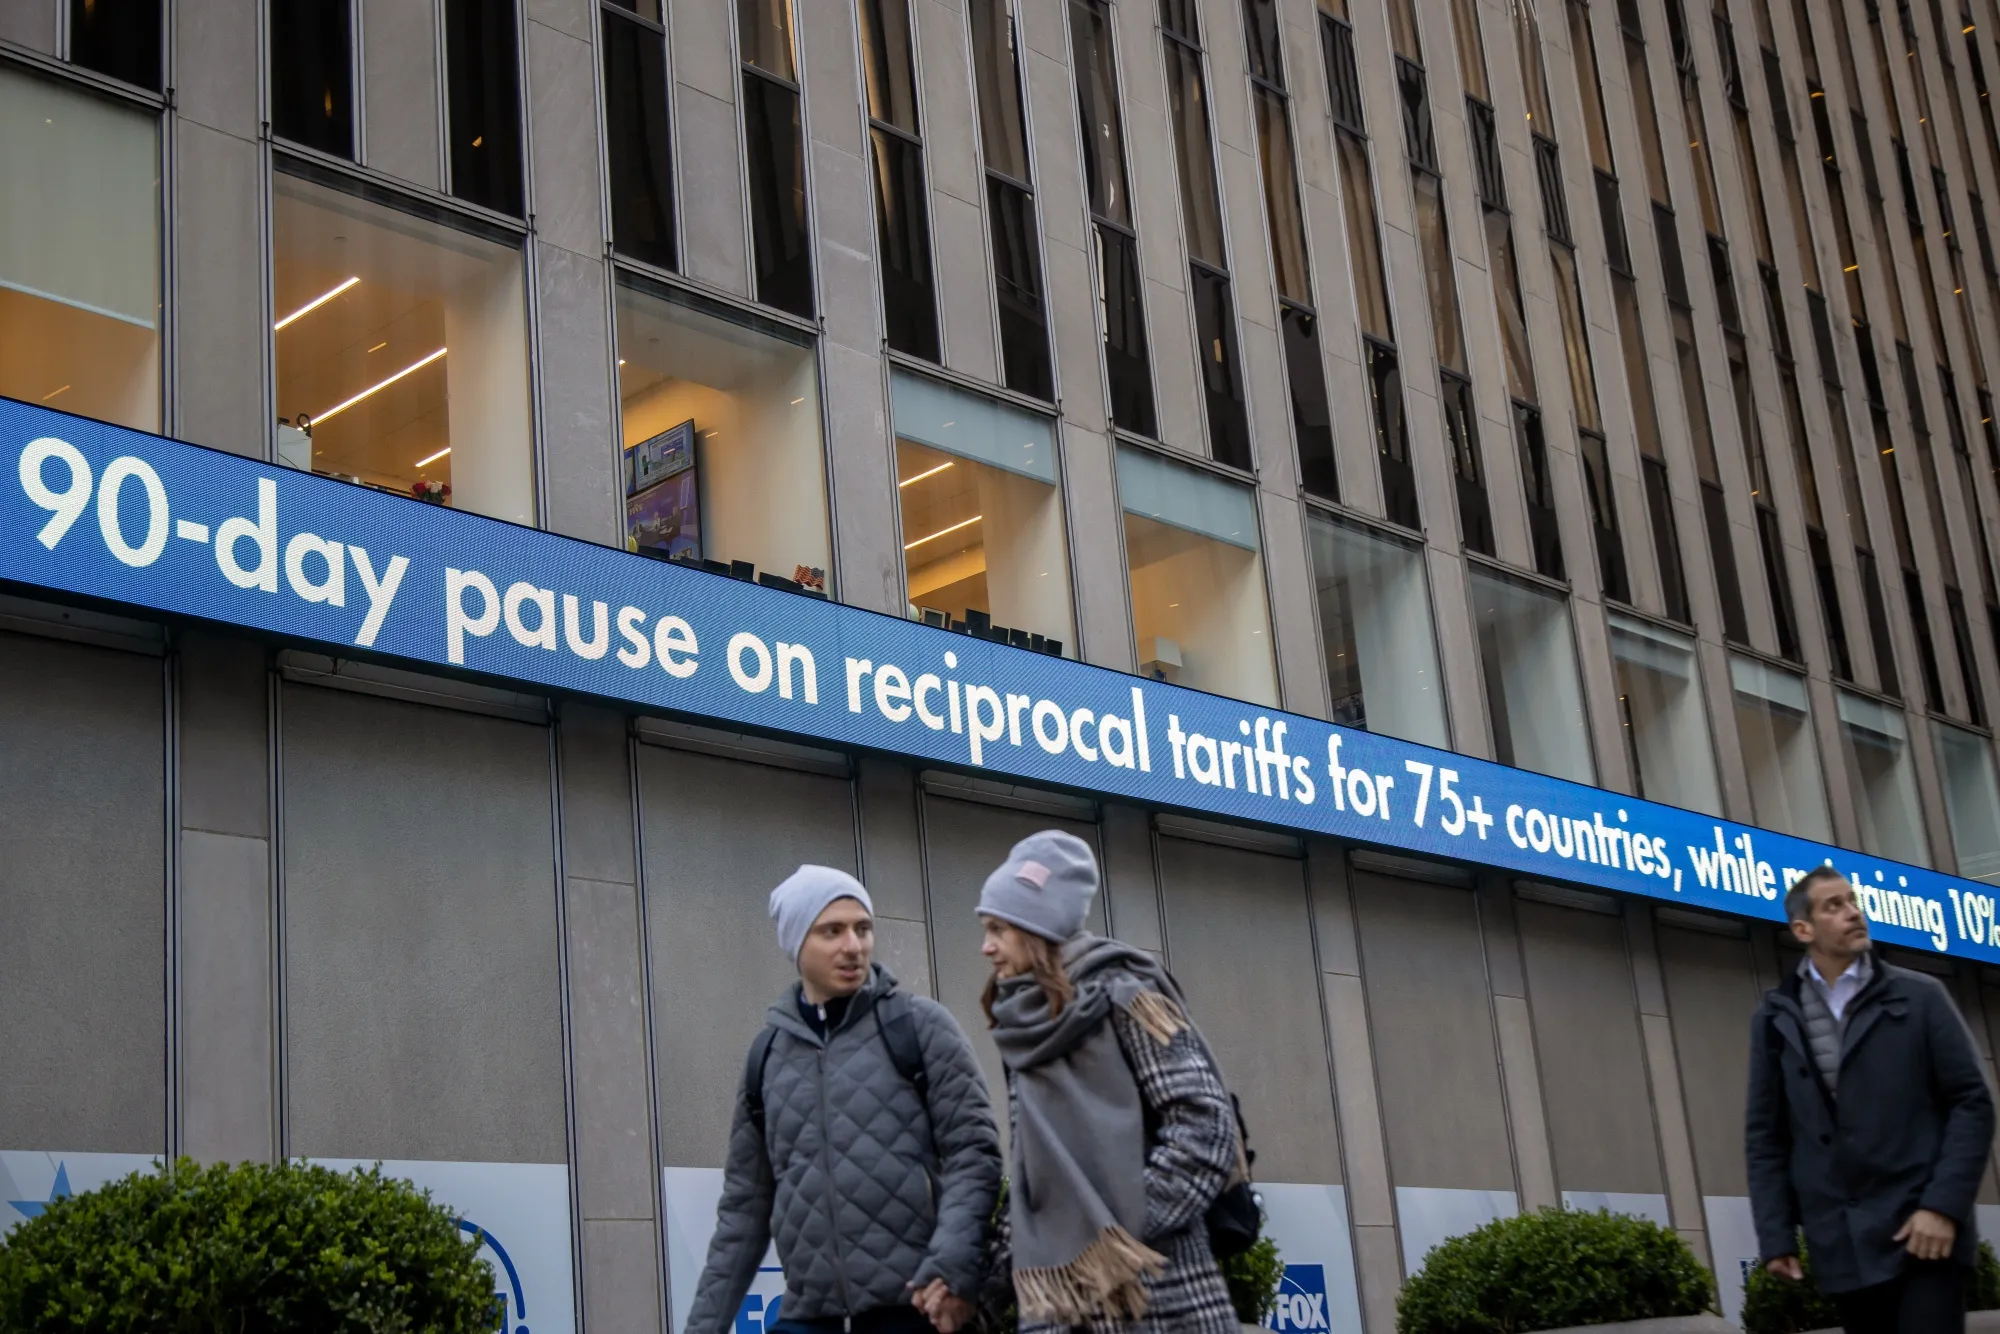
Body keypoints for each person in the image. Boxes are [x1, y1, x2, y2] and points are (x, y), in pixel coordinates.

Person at [688, 865, 1002, 1334]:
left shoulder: (919, 1026)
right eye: (831, 931)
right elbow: (743, 1211)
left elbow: (973, 1154)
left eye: (862, 928)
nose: (853, 946)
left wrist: (949, 1268)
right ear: (798, 945)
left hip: (916, 1310)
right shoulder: (767, 1057)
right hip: (808, 1315)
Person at [951, 830, 1241, 1334]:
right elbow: (1034, 1180)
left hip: (1157, 1297)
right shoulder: (1023, 1024)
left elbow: (1204, 1126)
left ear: (1035, 926)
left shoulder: (1126, 994)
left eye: (998, 928)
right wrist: (974, 1291)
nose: (986, 947)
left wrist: (1113, 1236)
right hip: (1062, 1306)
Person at [1746, 865, 1995, 1334]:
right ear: (1803, 929)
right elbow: (1766, 1137)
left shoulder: (1920, 997)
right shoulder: (1776, 1017)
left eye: (1853, 901)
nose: (1852, 913)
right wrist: (1776, 1236)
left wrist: (1942, 1207)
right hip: (1844, 1245)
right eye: (1833, 906)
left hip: (1925, 1236)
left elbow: (1972, 1103)